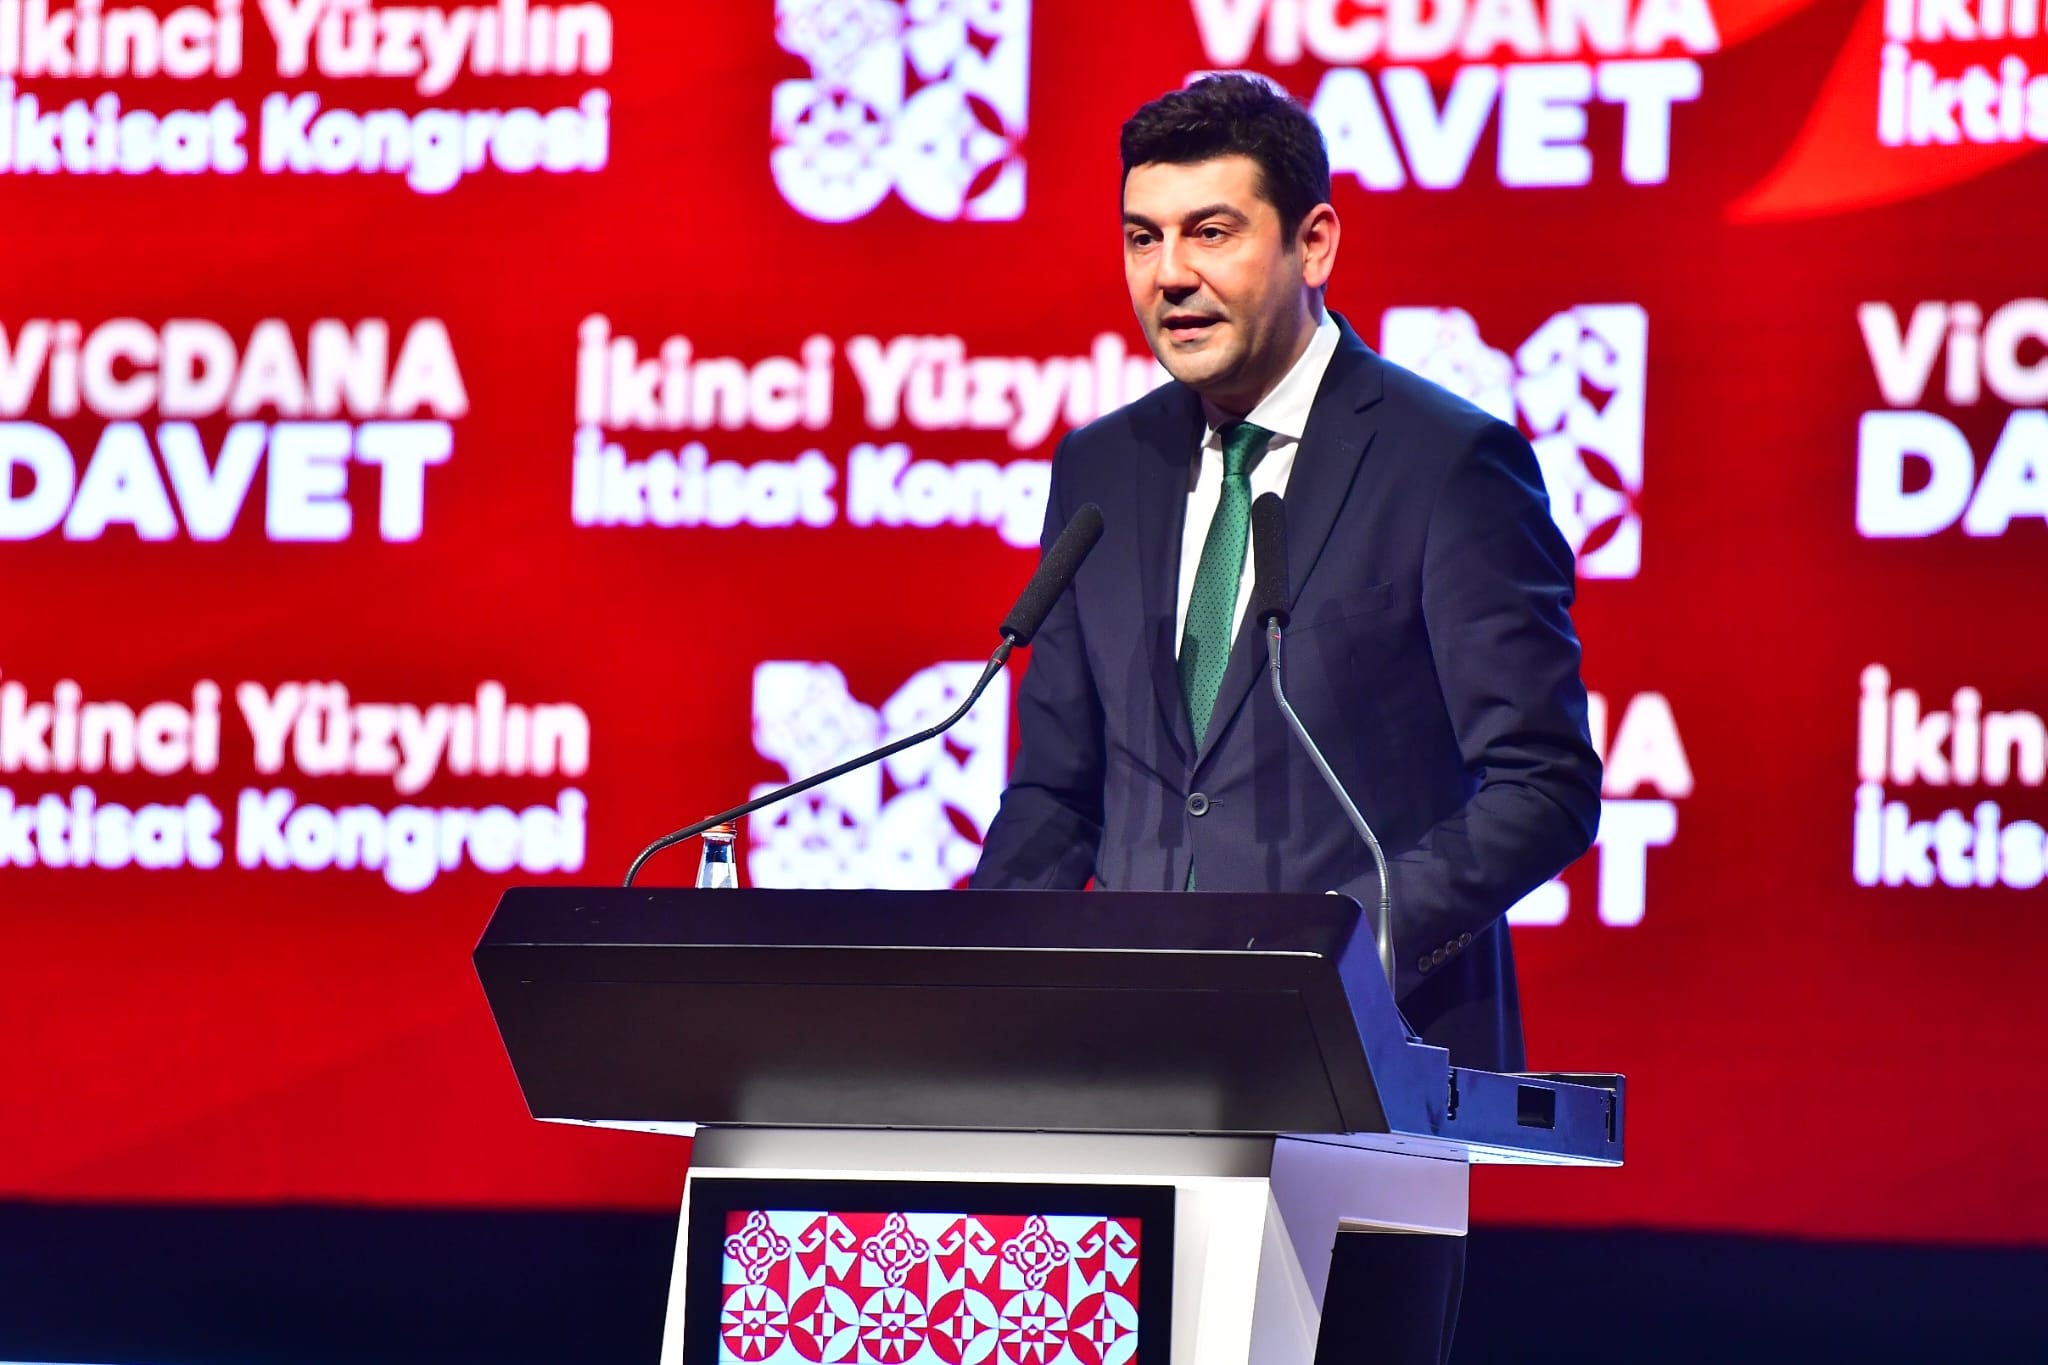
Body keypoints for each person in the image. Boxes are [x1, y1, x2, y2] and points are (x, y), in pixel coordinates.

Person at [970, 74, 1603, 1362]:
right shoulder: (1103, 469)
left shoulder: (1447, 463)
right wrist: (969, 996)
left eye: (1212, 232)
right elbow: (1056, 796)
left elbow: (1543, 785)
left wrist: (1328, 957)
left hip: (1363, 1096)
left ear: (1313, 243)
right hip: (1126, 1094)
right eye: (1143, 237)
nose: (1170, 276)